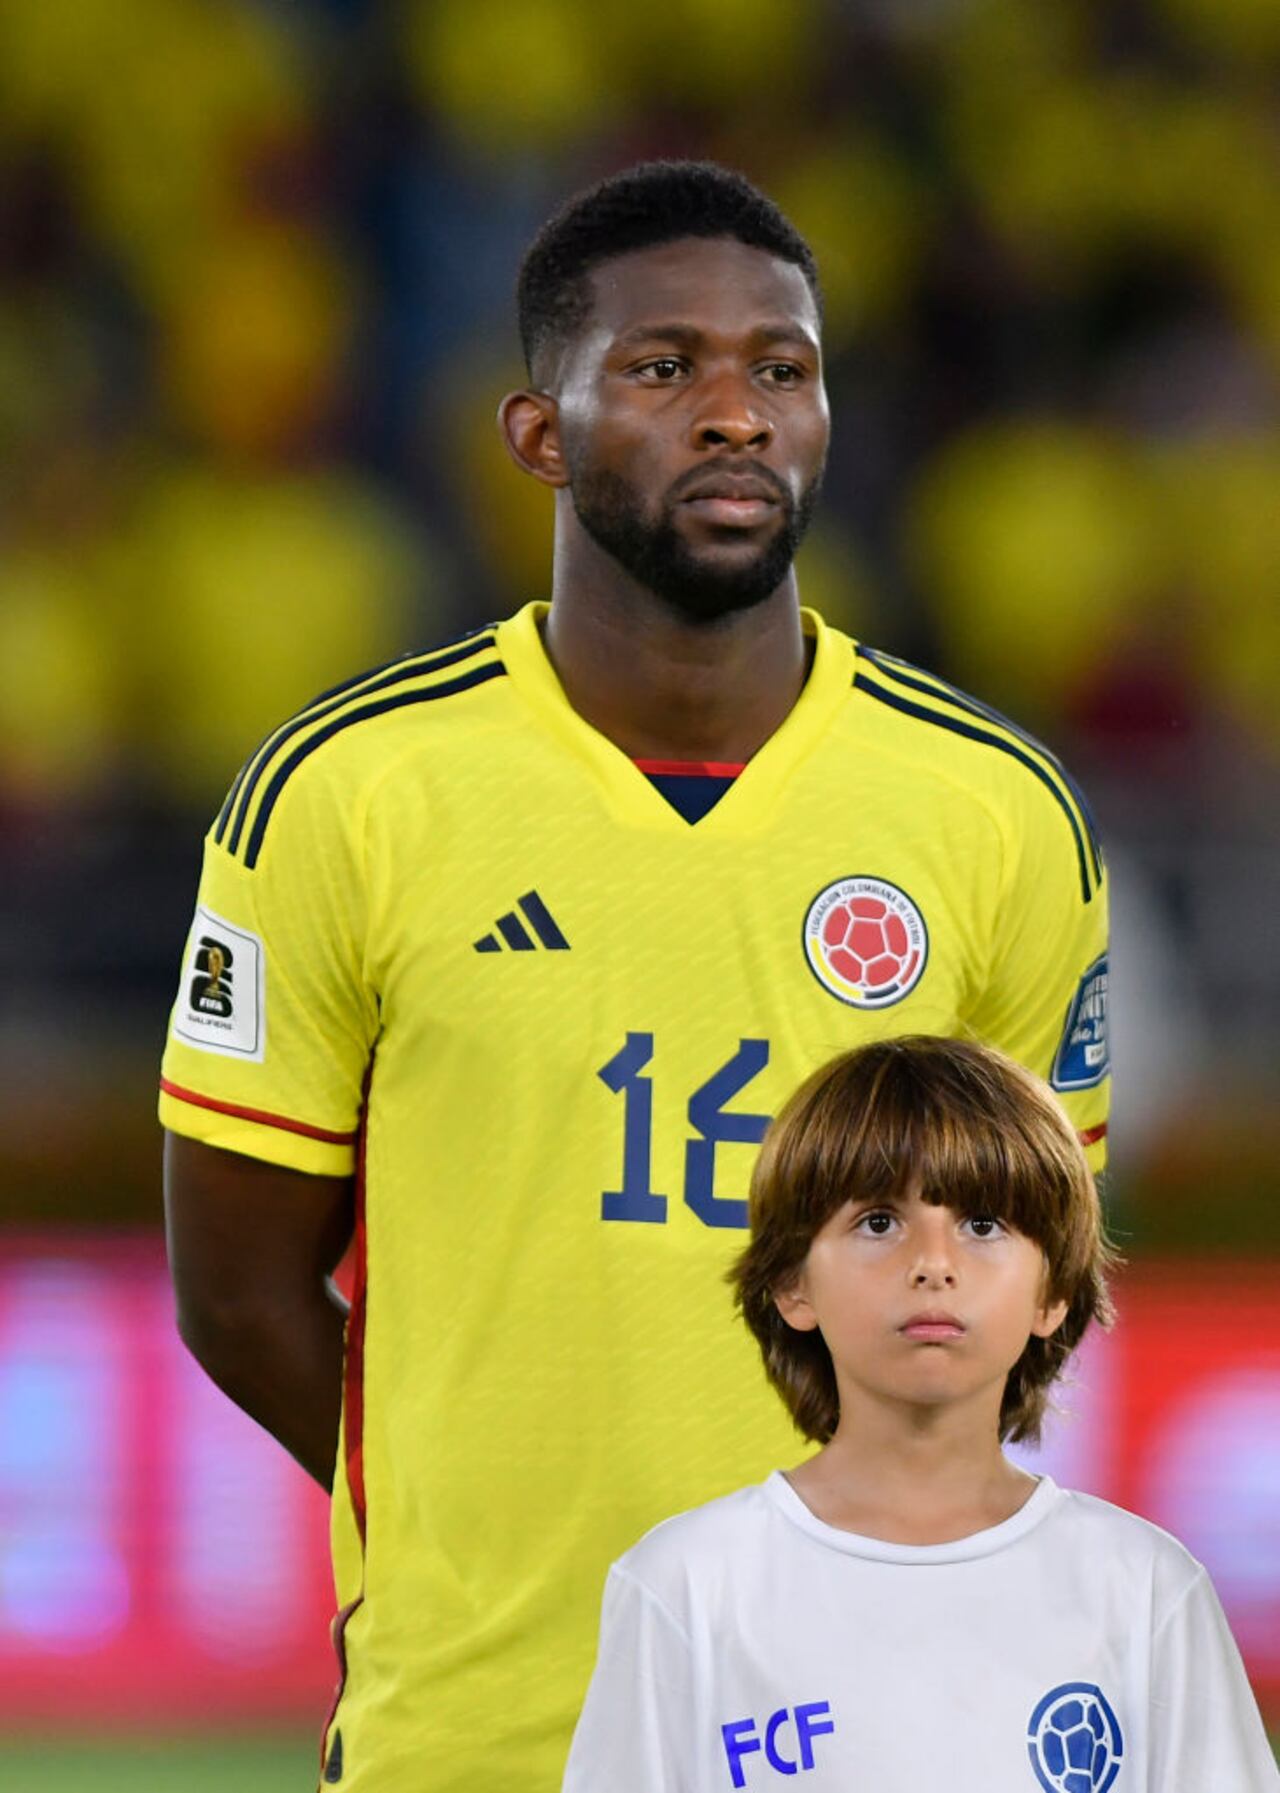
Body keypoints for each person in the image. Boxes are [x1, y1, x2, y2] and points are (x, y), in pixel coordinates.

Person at [159, 162, 1111, 1792]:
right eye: (666, 369)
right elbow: (237, 1286)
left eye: (782, 368)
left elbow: (1028, 1291)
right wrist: (453, 1522)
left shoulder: (995, 812)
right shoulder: (351, 790)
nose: (736, 412)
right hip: (478, 1729)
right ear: (541, 433)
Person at [563, 1036, 1277, 1792]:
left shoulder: (1147, 1589)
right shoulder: (685, 1585)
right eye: (878, 1221)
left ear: (1053, 1292)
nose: (933, 1262)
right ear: (790, 1283)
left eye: (982, 1224)